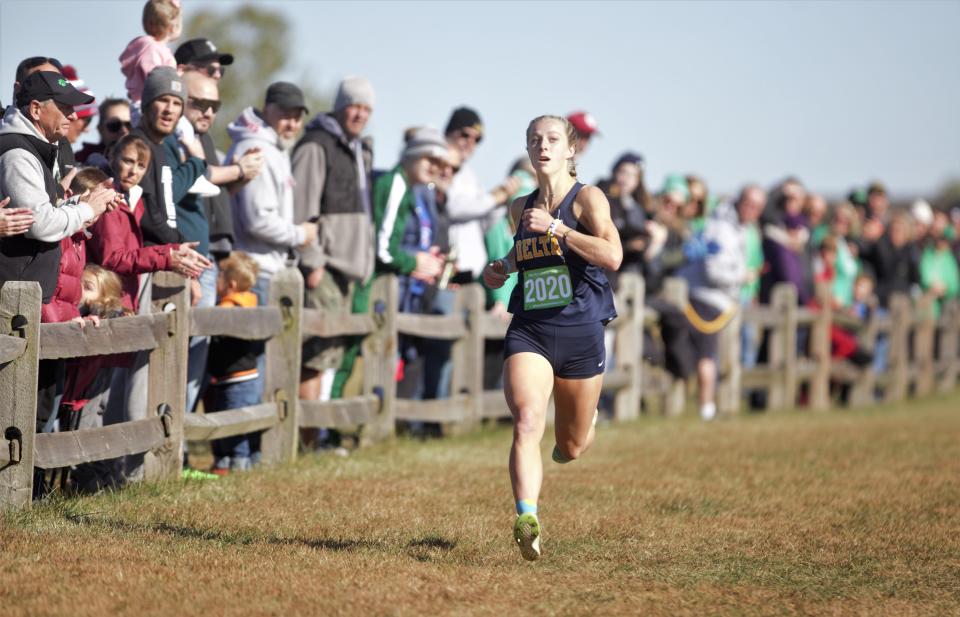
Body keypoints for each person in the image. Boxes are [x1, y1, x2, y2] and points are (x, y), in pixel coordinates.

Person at [482, 115, 622, 561]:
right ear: (527, 149)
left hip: (582, 333)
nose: (543, 146)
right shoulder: (517, 208)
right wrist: (501, 267)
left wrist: (560, 229)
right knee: (526, 421)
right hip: (532, 330)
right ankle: (527, 517)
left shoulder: (588, 199)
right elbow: (523, 255)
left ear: (570, 150)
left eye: (553, 139)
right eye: (534, 140)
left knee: (571, 445)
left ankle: (583, 428)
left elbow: (613, 255)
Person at [292, 76, 375, 419]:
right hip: (324, 265)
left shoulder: (359, 149)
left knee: (330, 356)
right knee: (315, 356)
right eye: (353, 105)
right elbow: (300, 207)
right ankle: (307, 437)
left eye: (366, 108)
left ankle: (316, 432)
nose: (360, 114)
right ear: (340, 106)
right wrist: (312, 263)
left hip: (346, 267)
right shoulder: (316, 144)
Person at [226, 81, 315, 303]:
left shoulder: (275, 147)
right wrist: (300, 234)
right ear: (267, 109)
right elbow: (257, 220)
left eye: (297, 117)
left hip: (258, 270)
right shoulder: (259, 149)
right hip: (252, 273)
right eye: (285, 115)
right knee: (252, 338)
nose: (292, 124)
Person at [443, 107, 520, 285]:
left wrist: (503, 204)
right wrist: (495, 197)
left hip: (470, 277)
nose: (471, 143)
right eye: (465, 135)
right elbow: (453, 208)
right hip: (448, 273)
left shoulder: (469, 174)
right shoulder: (439, 168)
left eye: (477, 139)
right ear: (449, 132)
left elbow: (485, 224)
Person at [207, 251, 265, 474]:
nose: (216, 281)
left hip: (235, 377)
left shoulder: (227, 309)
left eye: (219, 277)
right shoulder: (252, 304)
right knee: (237, 419)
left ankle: (238, 462)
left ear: (230, 284)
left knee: (233, 421)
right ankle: (236, 459)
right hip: (245, 375)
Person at [119, 0, 182, 108]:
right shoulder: (153, 49)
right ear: (172, 27)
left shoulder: (152, 48)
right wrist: (175, 77)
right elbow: (155, 78)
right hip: (146, 106)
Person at [75, 98, 132, 166]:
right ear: (100, 129)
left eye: (129, 125)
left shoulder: (146, 157)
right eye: (114, 125)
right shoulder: (80, 160)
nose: (124, 131)